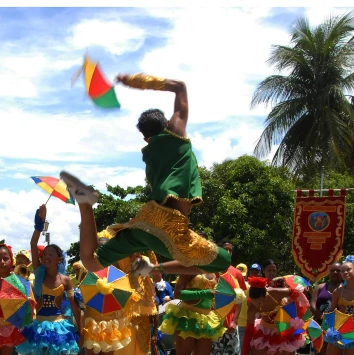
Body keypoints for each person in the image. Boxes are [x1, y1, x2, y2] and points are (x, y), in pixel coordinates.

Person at [60, 72, 230, 277]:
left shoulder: (149, 154)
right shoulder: (176, 134)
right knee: (223, 262)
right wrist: (135, 81)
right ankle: (153, 268)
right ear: (167, 123)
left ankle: (85, 203)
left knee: (92, 262)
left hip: (143, 223)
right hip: (170, 226)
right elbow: (179, 86)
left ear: (145, 138)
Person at [16, 205, 80, 355]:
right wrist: (39, 225)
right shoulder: (38, 273)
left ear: (59, 259)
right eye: (46, 254)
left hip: (60, 326)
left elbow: (73, 306)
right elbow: (34, 244)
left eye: (51, 254)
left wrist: (80, 328)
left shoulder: (66, 280)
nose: (46, 256)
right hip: (42, 325)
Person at [160, 268, 227, 355]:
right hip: (187, 317)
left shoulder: (216, 273)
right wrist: (205, 293)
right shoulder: (190, 268)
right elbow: (178, 293)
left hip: (206, 319)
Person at [112, 251, 163, 355]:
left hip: (144, 312)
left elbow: (157, 275)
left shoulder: (149, 254)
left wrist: (148, 263)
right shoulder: (119, 255)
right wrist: (130, 264)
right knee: (122, 354)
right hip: (124, 311)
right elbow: (111, 278)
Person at [207, 240, 248, 355]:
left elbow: (240, 299)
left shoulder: (236, 273)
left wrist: (235, 321)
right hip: (214, 322)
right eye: (225, 250)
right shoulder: (210, 271)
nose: (228, 253)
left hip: (231, 322)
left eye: (230, 250)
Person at [303, 262, 345, 355]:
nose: (335, 273)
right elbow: (313, 305)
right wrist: (321, 317)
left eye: (339, 271)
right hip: (320, 325)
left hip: (339, 326)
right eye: (333, 271)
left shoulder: (345, 288)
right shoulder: (321, 287)